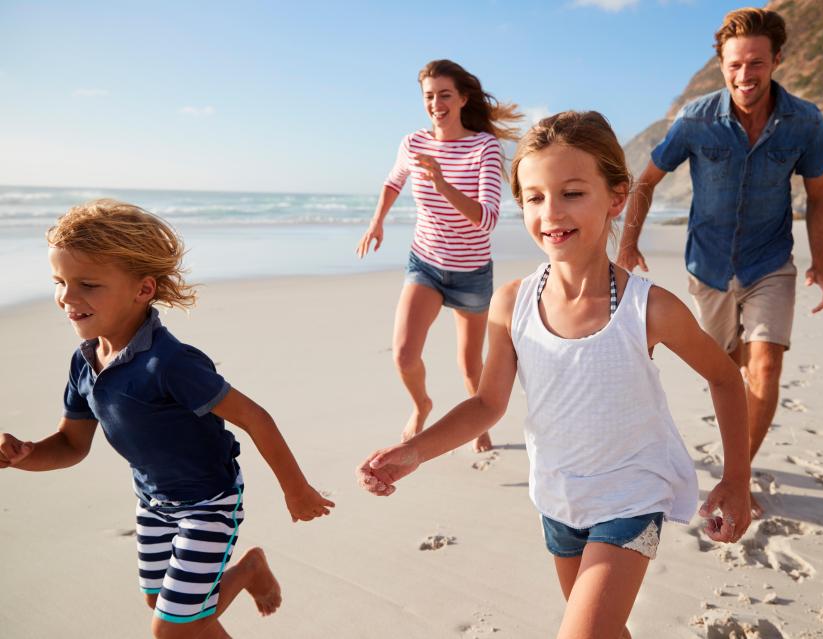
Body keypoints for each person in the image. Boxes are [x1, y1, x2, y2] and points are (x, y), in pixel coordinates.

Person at [358, 111, 751, 639]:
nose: (551, 213)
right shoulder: (512, 302)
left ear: (615, 197)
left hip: (632, 497)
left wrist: (737, 479)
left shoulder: (649, 309)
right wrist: (413, 452)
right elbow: (487, 404)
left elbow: (726, 379)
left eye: (571, 193)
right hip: (558, 496)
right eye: (535, 198)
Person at [0, 200, 335, 639]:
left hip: (208, 502)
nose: (67, 296)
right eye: (59, 281)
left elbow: (256, 418)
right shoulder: (84, 363)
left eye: (88, 284)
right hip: (153, 502)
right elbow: (70, 445)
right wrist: (23, 455)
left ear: (142, 290)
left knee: (171, 629)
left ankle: (242, 572)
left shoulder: (170, 363)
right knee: (162, 603)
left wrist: (298, 490)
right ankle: (250, 569)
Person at [616, 7, 823, 516]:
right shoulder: (695, 119)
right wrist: (628, 245)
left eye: (756, 63)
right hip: (709, 268)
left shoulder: (804, 122)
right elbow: (645, 181)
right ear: (722, 63)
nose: (745, 76)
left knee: (765, 366)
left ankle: (739, 476)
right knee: (724, 370)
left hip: (769, 264)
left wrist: (820, 262)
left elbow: (820, 195)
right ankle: (737, 457)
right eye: (735, 65)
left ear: (776, 60)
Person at [356, 59, 521, 453]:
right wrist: (376, 221)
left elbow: (487, 220)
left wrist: (442, 183)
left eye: (444, 95)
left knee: (470, 368)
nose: (436, 103)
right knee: (404, 354)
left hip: (471, 274)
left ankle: (477, 422)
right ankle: (421, 405)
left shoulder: (484, 146)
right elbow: (393, 181)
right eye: (429, 96)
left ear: (463, 99)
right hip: (426, 264)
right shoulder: (413, 142)